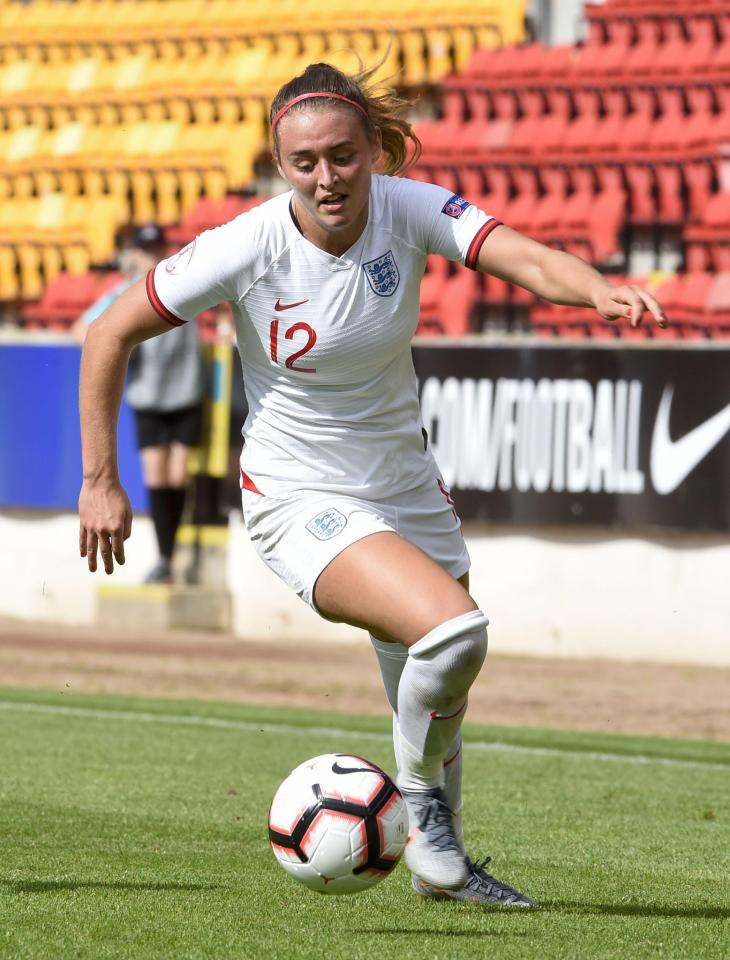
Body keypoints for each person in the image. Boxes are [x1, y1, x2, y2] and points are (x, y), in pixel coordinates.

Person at [78, 61, 667, 907]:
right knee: (456, 633)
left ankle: (444, 869)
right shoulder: (246, 245)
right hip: (296, 496)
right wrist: (102, 479)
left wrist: (598, 290)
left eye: (343, 156)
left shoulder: (406, 207)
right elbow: (106, 334)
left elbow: (523, 259)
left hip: (404, 483)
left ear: (374, 150)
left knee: (438, 681)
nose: (327, 177)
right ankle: (420, 809)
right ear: (281, 165)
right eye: (305, 161)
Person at [75, 224, 206, 584]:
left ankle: (170, 555)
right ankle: (165, 559)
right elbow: (87, 328)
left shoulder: (185, 278)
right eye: (146, 247)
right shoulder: (124, 291)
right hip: (149, 395)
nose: (152, 253)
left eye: (157, 245)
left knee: (177, 475)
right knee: (156, 475)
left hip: (186, 392)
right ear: (134, 252)